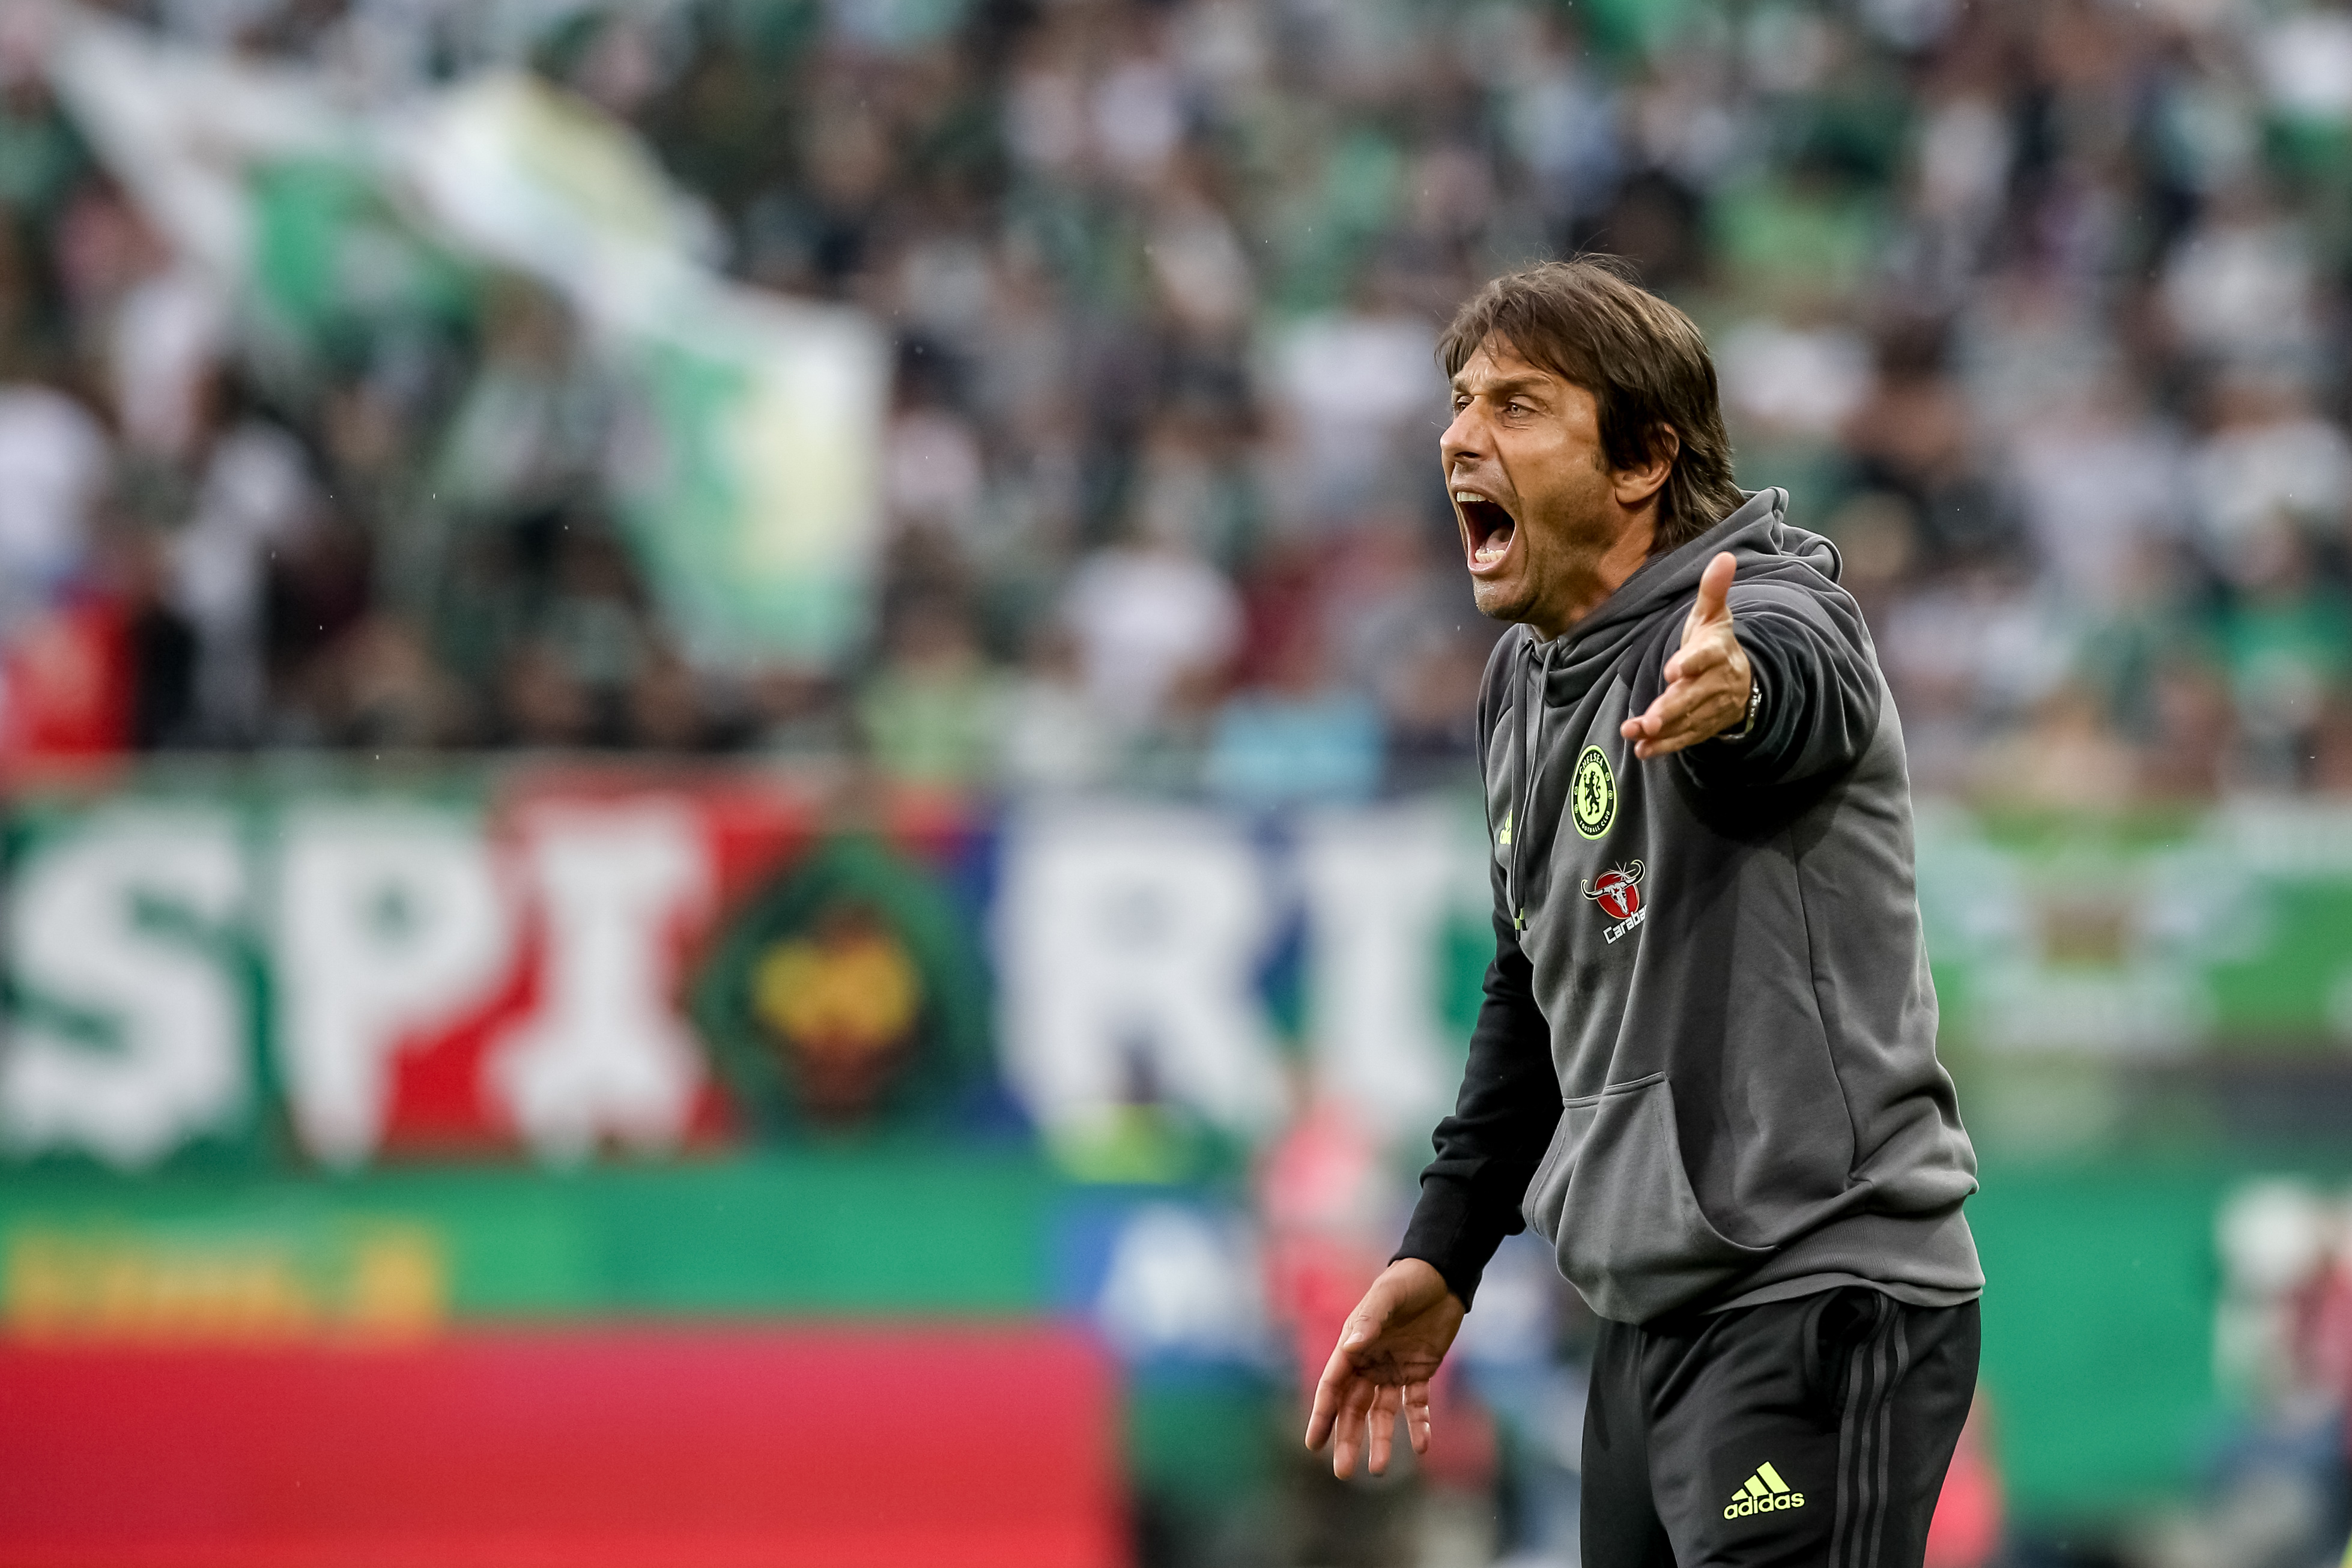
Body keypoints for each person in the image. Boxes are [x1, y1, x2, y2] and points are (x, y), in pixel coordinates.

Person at [1305, 258, 1984, 1568]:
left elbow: (1798, 686)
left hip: (1810, 1294)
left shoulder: (1774, 600)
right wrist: (1443, 1253)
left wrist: (1737, 691)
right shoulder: (1520, 683)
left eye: (1515, 404)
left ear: (1639, 461)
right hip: (1642, 1325)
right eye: (1458, 402)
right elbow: (1532, 993)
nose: (1457, 434)